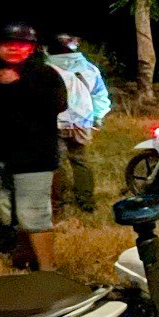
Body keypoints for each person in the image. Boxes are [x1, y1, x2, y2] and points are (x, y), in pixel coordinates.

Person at [0, 24, 67, 271]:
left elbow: (58, 104)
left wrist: (17, 85)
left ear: (32, 48)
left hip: (36, 157)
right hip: (5, 156)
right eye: (7, 43)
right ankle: (24, 260)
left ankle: (48, 271)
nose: (14, 49)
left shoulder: (44, 74)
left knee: (34, 214)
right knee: (12, 214)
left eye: (21, 44)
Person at [46, 34, 112, 213]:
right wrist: (97, 117)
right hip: (82, 122)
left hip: (55, 122)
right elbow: (100, 96)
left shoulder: (47, 68)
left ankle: (57, 204)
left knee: (56, 163)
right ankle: (86, 201)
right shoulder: (90, 68)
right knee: (81, 161)